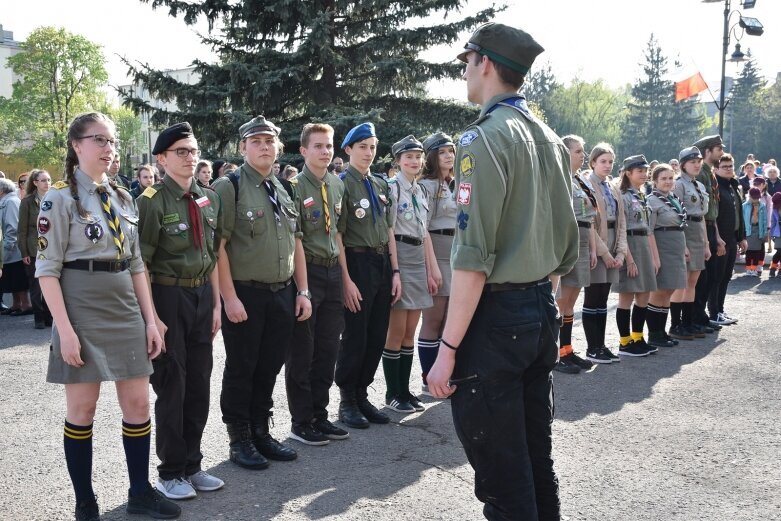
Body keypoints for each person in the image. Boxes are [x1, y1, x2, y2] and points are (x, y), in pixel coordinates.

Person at [427, 22, 578, 521]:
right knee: (535, 459)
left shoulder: (482, 139)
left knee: (502, 475)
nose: (464, 73)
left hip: (495, 319)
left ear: (485, 63)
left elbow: (472, 258)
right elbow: (562, 245)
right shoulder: (550, 138)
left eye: (466, 62)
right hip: (538, 308)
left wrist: (446, 352)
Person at [36, 112, 180, 521]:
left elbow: (136, 264)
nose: (108, 149)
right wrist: (64, 330)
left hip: (125, 305)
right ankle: (86, 503)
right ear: (76, 145)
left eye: (112, 141)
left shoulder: (123, 196)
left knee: (137, 403)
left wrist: (150, 319)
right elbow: (47, 270)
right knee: (83, 408)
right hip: (80, 306)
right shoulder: (58, 198)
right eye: (99, 140)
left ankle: (140, 492)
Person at [213, 116, 311, 470]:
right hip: (246, 293)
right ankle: (239, 438)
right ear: (242, 148)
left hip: (282, 293)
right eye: (256, 141)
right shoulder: (230, 186)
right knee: (242, 367)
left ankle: (260, 431)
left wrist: (303, 291)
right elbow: (218, 248)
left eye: (269, 141)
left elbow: (296, 242)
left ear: (278, 147)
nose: (264, 147)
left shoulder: (284, 187)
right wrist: (229, 297)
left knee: (269, 366)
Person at [137, 122, 225, 500]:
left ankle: (192, 464)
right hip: (168, 298)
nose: (190, 158)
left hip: (203, 296)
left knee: (199, 385)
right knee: (172, 385)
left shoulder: (208, 198)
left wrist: (217, 301)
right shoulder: (152, 201)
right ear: (161, 158)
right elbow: (140, 262)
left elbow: (214, 254)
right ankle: (170, 471)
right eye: (181, 152)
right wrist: (151, 317)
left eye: (193, 151)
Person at [284, 123, 350, 446]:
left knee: (328, 347)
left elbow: (337, 231)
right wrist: (302, 288)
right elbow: (294, 239)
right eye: (319, 146)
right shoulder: (294, 187)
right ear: (303, 151)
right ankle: (301, 421)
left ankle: (320, 415)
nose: (326, 151)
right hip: (307, 271)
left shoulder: (337, 185)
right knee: (303, 350)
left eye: (329, 145)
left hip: (332, 270)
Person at [334, 122, 401, 429]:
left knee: (376, 333)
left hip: (381, 263)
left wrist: (395, 271)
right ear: (348, 150)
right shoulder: (341, 183)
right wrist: (345, 279)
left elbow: (389, 230)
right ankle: (347, 399)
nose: (369, 152)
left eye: (373, 147)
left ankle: (362, 395)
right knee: (355, 334)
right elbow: (339, 234)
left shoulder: (379, 184)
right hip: (357, 263)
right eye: (363, 147)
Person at [382, 135, 439, 413]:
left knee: (410, 331)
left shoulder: (420, 190)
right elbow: (389, 231)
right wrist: (394, 270)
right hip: (400, 256)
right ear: (398, 161)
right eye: (408, 157)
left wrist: (432, 268)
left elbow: (424, 231)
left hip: (417, 259)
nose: (414, 161)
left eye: (418, 156)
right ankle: (392, 393)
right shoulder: (392, 188)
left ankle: (405, 391)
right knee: (396, 330)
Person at [416, 132, 457, 390]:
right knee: (433, 320)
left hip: (456, 253)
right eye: (442, 152)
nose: (449, 156)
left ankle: (445, 375)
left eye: (451, 151)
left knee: (449, 321)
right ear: (432, 156)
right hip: (437, 252)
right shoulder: (427, 186)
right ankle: (428, 379)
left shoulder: (456, 183)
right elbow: (424, 228)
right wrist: (432, 267)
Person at [554, 135, 597, 374]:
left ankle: (567, 350)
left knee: (571, 303)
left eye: (583, 150)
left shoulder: (579, 181)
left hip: (581, 239)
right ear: (564, 152)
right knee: (561, 301)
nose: (583, 155)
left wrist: (591, 248)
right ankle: (557, 354)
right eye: (578, 151)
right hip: (565, 241)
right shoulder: (558, 179)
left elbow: (589, 218)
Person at [584, 143, 627, 364]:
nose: (608, 165)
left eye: (610, 161)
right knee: (593, 297)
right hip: (596, 245)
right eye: (603, 161)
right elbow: (589, 222)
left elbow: (621, 222)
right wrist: (605, 254)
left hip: (612, 242)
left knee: (603, 297)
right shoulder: (587, 184)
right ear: (593, 162)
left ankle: (601, 345)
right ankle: (592, 347)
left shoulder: (613, 187)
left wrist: (620, 252)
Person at [612, 155, 656, 357]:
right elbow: (622, 229)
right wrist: (629, 259)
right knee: (627, 296)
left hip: (643, 246)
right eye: (640, 171)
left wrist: (653, 257)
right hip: (630, 245)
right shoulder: (623, 195)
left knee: (644, 294)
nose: (645, 175)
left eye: (646, 171)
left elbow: (647, 228)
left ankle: (638, 337)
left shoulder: (642, 195)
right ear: (628, 173)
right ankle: (624, 341)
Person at [669, 147, 712, 340]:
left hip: (697, 231)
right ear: (683, 164)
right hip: (684, 231)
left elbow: (701, 217)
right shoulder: (678, 185)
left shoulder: (699, 186)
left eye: (698, 161)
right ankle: (676, 325)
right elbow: (677, 215)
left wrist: (706, 244)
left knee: (692, 281)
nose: (696, 164)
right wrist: (682, 244)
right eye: (692, 161)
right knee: (682, 281)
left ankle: (688, 322)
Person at [646, 164, 688, 349]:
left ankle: (662, 332)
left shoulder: (674, 198)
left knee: (670, 290)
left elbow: (680, 224)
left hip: (676, 247)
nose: (668, 182)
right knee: (660, 291)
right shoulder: (652, 201)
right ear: (654, 181)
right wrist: (655, 257)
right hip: (662, 247)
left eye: (671, 178)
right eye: (663, 178)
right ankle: (654, 333)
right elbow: (649, 231)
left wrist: (685, 247)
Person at [692, 135, 725, 331]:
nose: (721, 152)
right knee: (702, 277)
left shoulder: (709, 173)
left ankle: (700, 315)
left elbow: (713, 208)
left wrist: (717, 235)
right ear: (707, 151)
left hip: (711, 226)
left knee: (710, 275)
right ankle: (696, 316)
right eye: (718, 149)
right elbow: (702, 210)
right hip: (703, 227)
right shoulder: (702, 174)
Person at [709, 153, 746, 325]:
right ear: (715, 169)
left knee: (726, 276)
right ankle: (713, 312)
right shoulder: (715, 187)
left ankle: (720, 310)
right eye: (725, 166)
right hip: (720, 240)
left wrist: (741, 237)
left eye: (731, 166)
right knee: (717, 277)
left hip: (732, 237)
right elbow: (713, 217)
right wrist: (717, 240)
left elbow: (739, 213)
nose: (729, 169)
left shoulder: (733, 186)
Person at [18, 169, 53, 328]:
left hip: (52, 247)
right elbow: (22, 229)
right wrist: (24, 251)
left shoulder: (54, 199)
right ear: (35, 183)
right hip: (34, 249)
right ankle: (38, 317)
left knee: (51, 283)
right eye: (43, 180)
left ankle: (49, 316)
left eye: (49, 180)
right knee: (36, 285)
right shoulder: (27, 202)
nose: (47, 183)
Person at [0, 178, 31, 316]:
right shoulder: (6, 201)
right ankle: (16, 304)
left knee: (18, 278)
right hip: (10, 249)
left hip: (14, 250)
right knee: (12, 278)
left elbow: (12, 227)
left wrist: (6, 247)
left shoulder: (11, 202)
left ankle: (25, 305)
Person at [742, 187, 767, 277]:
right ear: (750, 196)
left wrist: (764, 233)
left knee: (756, 251)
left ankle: (755, 269)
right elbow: (742, 219)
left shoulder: (762, 206)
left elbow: (764, 220)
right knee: (748, 251)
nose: (756, 199)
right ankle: (749, 269)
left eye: (757, 197)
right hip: (748, 230)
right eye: (754, 197)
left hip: (758, 230)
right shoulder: (744, 206)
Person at [769, 192, 781, 277]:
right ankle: (773, 267)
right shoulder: (774, 209)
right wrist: (771, 234)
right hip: (778, 233)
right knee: (779, 251)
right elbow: (773, 222)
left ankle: (780, 270)